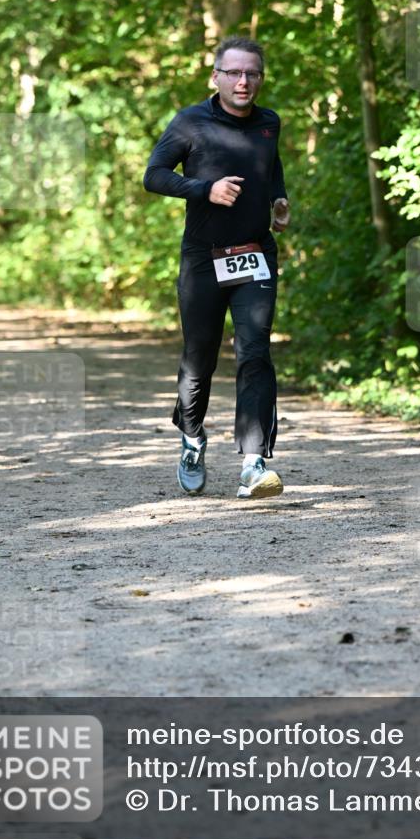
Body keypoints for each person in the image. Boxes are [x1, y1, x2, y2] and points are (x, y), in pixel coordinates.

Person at [144, 36, 291, 499]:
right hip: (204, 259)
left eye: (252, 73)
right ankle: (191, 439)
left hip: (255, 254)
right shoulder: (191, 122)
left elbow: (272, 166)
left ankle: (254, 462)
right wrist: (203, 190)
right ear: (216, 77)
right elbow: (154, 175)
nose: (243, 81)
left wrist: (278, 199)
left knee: (255, 353)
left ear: (260, 79)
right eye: (234, 73)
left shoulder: (269, 123)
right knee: (199, 358)